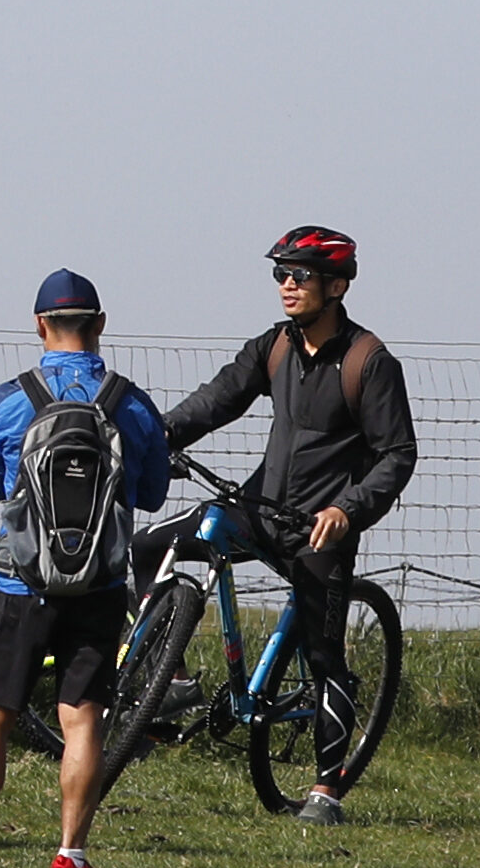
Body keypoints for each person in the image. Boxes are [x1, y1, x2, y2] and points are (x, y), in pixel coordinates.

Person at [159, 224, 419, 824]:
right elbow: (217, 399)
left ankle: (327, 788)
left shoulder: (368, 362)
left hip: (320, 526)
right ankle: (167, 678)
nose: (286, 286)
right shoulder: (274, 347)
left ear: (335, 285)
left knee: (324, 654)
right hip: (261, 508)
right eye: (279, 274)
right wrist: (158, 434)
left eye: (298, 275)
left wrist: (347, 510)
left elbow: (397, 454)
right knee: (168, 540)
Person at [0, 271, 167, 868]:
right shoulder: (130, 404)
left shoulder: (11, 401)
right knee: (83, 718)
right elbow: (153, 492)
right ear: (101, 324)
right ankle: (70, 861)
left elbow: (1, 487)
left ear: (38, 326)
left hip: (19, 583)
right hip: (102, 585)